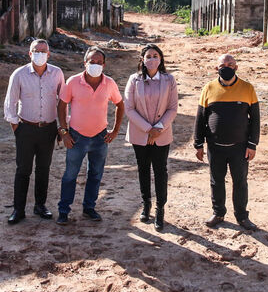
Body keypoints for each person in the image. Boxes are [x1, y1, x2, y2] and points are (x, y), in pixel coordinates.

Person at [55, 46, 125, 225]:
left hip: (100, 138)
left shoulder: (109, 83)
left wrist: (115, 130)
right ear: (84, 62)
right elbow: (62, 106)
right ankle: (64, 211)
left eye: (99, 62)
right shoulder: (73, 82)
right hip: (76, 137)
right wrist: (64, 132)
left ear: (104, 64)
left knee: (95, 175)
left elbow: (120, 104)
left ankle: (89, 208)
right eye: (91, 62)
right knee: (70, 175)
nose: (95, 65)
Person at [193, 53, 259, 230]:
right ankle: (218, 213)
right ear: (217, 68)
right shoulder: (208, 88)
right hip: (215, 147)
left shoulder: (247, 88)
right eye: (223, 64)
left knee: (240, 181)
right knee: (216, 181)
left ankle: (242, 217)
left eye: (231, 64)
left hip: (240, 147)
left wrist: (252, 144)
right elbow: (200, 118)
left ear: (236, 67)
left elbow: (255, 120)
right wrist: (198, 144)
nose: (227, 67)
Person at [3, 39, 65, 225]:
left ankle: (40, 205)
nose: (40, 54)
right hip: (26, 128)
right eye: (36, 51)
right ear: (29, 54)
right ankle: (18, 209)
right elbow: (10, 103)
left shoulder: (57, 73)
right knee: (23, 169)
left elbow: (63, 102)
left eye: (43, 51)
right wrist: (16, 127)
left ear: (49, 54)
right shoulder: (19, 74)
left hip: (48, 129)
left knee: (43, 169)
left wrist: (63, 127)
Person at [124, 44, 179, 231]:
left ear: (161, 59)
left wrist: (158, 129)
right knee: (143, 169)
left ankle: (160, 208)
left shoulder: (169, 80)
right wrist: (148, 129)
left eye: (156, 55)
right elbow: (129, 108)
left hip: (161, 135)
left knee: (161, 170)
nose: (152, 59)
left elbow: (172, 108)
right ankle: (146, 205)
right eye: (148, 56)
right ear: (142, 59)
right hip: (140, 134)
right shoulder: (134, 80)